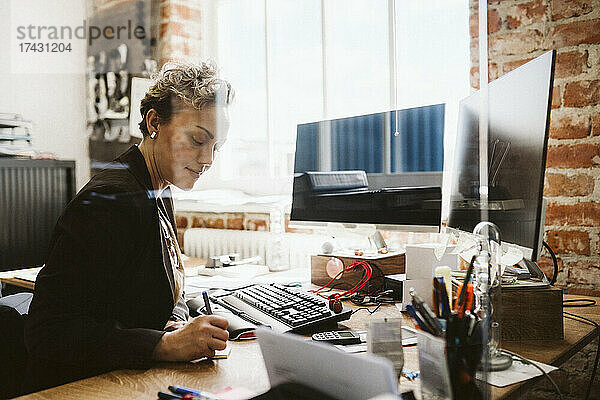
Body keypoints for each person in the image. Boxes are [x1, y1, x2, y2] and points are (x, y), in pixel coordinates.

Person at [24, 61, 234, 392]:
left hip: (131, 375)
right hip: (84, 387)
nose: (207, 159)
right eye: (197, 140)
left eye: (215, 147)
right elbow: (49, 333)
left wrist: (174, 324)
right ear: (154, 123)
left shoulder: (158, 186)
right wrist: (163, 344)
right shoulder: (114, 199)